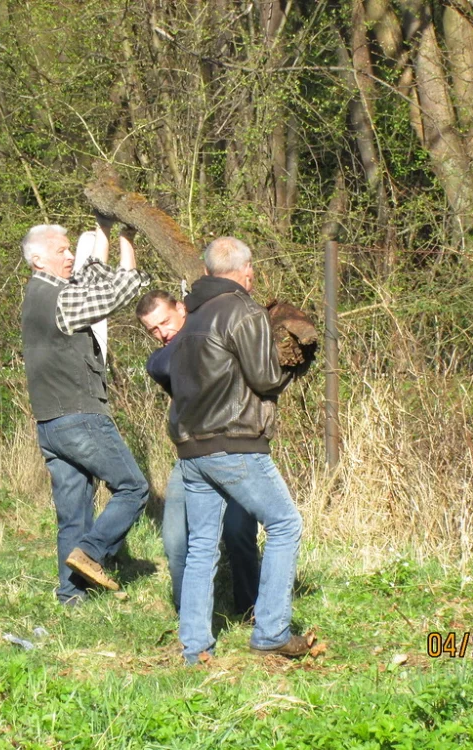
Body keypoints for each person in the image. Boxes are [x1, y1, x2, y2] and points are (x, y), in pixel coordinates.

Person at [169, 236, 312, 663]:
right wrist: (299, 360)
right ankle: (271, 631)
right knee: (285, 524)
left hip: (191, 447)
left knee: (201, 545)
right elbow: (266, 378)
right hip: (234, 443)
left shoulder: (190, 315)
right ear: (246, 271)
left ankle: (195, 647)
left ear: (208, 271)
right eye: (251, 271)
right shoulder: (243, 310)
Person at [20, 220, 149, 605]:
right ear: (38, 259)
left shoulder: (39, 295)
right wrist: (128, 237)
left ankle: (71, 597)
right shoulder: (60, 301)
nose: (70, 254)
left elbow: (91, 280)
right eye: (61, 250)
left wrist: (103, 230)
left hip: (50, 425)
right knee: (133, 488)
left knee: (73, 515)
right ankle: (92, 552)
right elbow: (121, 290)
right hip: (79, 417)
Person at [135, 290, 260, 616]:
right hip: (190, 458)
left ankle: (250, 608)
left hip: (235, 451)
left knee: (238, 532)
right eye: (153, 330)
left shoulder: (216, 335)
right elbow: (159, 364)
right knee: (175, 541)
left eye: (165, 321)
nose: (162, 333)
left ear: (181, 308)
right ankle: (188, 613)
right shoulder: (166, 358)